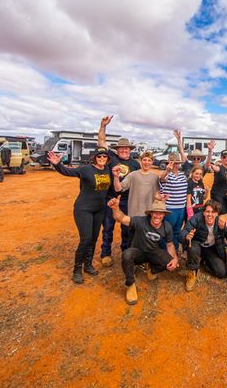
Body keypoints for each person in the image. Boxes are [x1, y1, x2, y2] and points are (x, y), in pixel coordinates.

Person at [47, 147, 115, 284]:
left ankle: (88, 265)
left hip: (99, 209)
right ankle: (77, 270)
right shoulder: (86, 169)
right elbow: (68, 171)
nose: (102, 158)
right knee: (86, 239)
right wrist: (58, 165)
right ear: (94, 157)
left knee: (94, 238)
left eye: (104, 156)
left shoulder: (108, 170)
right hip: (84, 209)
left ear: (108, 158)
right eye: (99, 156)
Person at [108, 197, 179, 305]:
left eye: (160, 213)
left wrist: (174, 259)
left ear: (164, 215)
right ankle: (131, 285)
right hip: (138, 252)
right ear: (151, 213)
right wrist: (115, 208)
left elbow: (170, 245)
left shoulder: (167, 227)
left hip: (153, 252)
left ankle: (152, 269)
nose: (157, 216)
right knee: (126, 255)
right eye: (155, 212)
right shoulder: (140, 221)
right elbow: (121, 218)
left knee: (170, 262)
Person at [97, 115, 140, 267]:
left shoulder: (135, 164)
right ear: (117, 150)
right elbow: (101, 142)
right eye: (121, 148)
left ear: (130, 150)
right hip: (111, 198)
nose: (123, 150)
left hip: (128, 201)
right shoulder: (112, 158)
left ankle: (126, 253)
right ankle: (106, 254)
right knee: (108, 227)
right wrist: (103, 126)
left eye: (126, 148)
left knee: (126, 228)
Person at [180, 200, 227, 291]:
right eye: (207, 211)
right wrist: (186, 237)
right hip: (197, 244)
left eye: (213, 212)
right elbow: (182, 234)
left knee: (221, 273)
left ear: (217, 214)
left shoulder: (221, 222)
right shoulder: (196, 219)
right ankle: (193, 272)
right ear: (203, 212)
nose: (210, 214)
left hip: (210, 248)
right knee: (192, 248)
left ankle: (204, 262)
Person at [113, 151, 162, 218]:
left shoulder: (155, 177)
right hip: (134, 214)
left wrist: (161, 198)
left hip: (149, 213)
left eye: (149, 160)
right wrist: (116, 177)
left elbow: (156, 195)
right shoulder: (133, 175)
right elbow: (118, 189)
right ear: (140, 161)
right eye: (144, 160)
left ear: (152, 162)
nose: (147, 162)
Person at [158, 152, 187, 251]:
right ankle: (165, 252)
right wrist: (167, 170)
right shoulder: (167, 175)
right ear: (169, 163)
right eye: (173, 163)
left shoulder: (183, 175)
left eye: (177, 163)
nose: (176, 165)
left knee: (177, 231)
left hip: (181, 208)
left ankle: (175, 250)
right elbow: (162, 179)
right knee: (167, 231)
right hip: (170, 209)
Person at [208, 149, 227, 214]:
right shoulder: (219, 168)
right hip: (218, 196)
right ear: (221, 158)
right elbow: (209, 165)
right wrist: (210, 151)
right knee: (222, 214)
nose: (226, 159)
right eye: (224, 157)